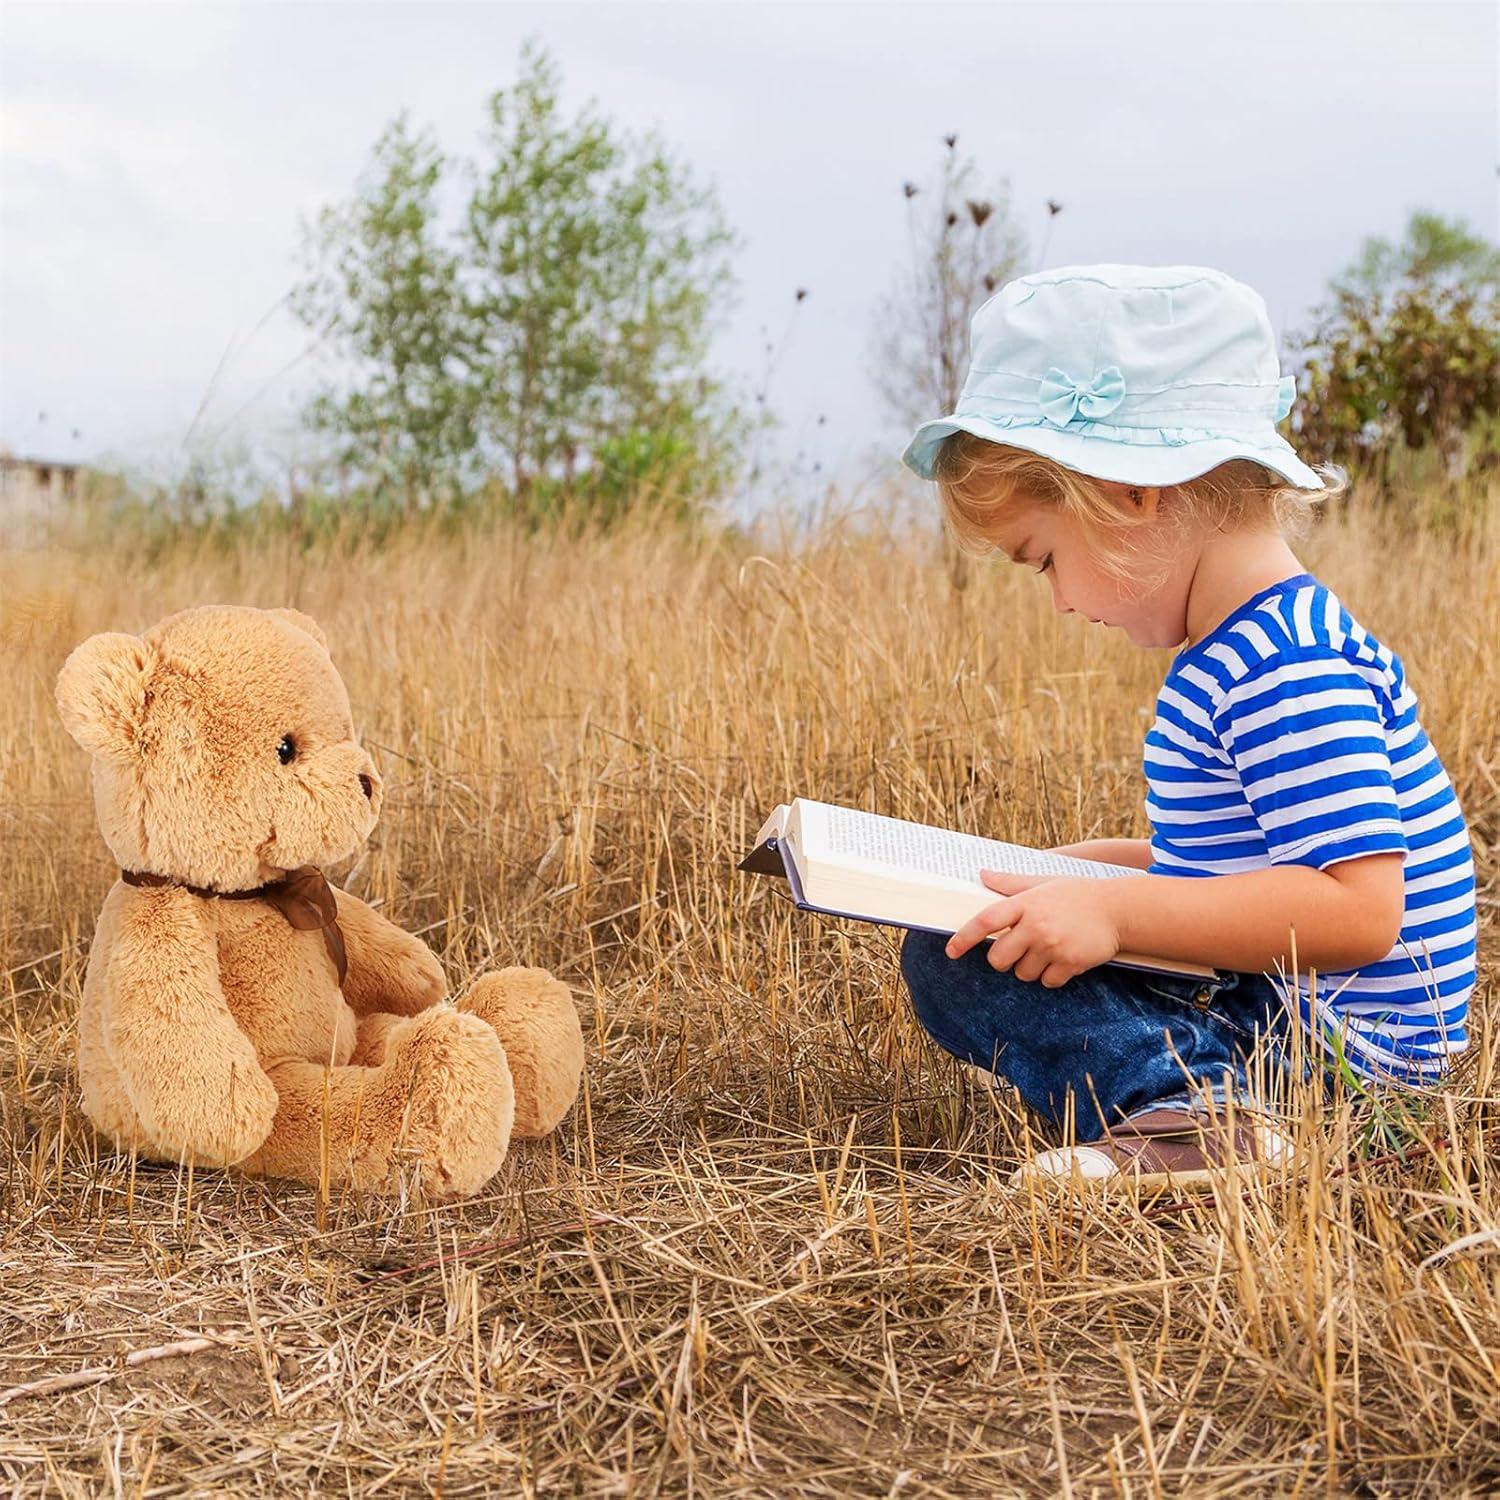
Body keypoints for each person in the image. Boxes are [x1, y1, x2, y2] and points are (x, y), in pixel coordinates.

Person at [898, 264, 1476, 1191]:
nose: (1058, 602)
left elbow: (1358, 911)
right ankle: (1199, 1107)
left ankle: (1204, 1118)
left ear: (1130, 493)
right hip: (1284, 1013)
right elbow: (1253, 866)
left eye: (1044, 559)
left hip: (1339, 1064)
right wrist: (1092, 870)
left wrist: (1117, 911)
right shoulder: (1239, 648)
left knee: (960, 965)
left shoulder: (1284, 663)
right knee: (958, 943)